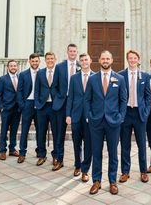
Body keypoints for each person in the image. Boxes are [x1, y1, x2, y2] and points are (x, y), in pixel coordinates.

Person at [84, 50, 127, 195]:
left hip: (113, 122)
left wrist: (121, 117)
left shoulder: (119, 79)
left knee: (113, 153)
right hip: (96, 121)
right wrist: (89, 115)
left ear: (112, 60)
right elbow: (87, 99)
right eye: (103, 58)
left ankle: (112, 181)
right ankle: (96, 181)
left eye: (108, 58)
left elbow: (123, 100)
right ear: (99, 60)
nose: (105, 60)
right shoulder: (92, 79)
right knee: (96, 152)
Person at [118, 50, 151, 183]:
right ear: (127, 60)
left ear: (138, 60)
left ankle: (143, 171)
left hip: (139, 114)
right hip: (125, 113)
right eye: (130, 58)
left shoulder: (145, 76)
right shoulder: (120, 75)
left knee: (141, 144)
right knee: (125, 144)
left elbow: (148, 96)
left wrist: (146, 111)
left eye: (134, 58)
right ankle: (125, 172)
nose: (132, 60)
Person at [53, 43, 81, 172]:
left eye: (74, 51)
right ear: (67, 52)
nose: (73, 53)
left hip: (76, 106)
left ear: (77, 52)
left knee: (78, 136)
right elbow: (54, 86)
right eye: (70, 51)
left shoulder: (81, 66)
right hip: (62, 105)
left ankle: (78, 164)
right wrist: (58, 98)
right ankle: (59, 160)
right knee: (59, 134)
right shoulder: (59, 67)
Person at [66, 53, 94, 181]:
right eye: (82, 60)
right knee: (76, 142)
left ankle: (85, 169)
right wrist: (68, 114)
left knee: (89, 143)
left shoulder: (96, 77)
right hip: (76, 115)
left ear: (90, 61)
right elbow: (70, 98)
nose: (84, 62)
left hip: (90, 117)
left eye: (86, 60)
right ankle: (77, 165)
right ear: (80, 62)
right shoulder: (74, 78)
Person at [34, 52, 57, 167]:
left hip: (55, 107)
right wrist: (37, 104)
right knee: (41, 132)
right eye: (48, 58)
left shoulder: (59, 72)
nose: (50, 60)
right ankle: (42, 155)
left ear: (55, 59)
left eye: (52, 58)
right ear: (45, 60)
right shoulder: (40, 73)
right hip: (42, 107)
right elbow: (36, 89)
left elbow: (61, 89)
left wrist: (58, 104)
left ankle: (56, 156)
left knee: (56, 133)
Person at [17, 53, 40, 163]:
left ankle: (39, 150)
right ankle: (22, 153)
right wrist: (22, 105)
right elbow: (19, 91)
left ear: (39, 62)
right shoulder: (23, 74)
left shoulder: (42, 73)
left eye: (36, 61)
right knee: (25, 130)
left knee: (40, 129)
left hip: (39, 105)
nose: (35, 63)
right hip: (27, 104)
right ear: (29, 61)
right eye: (33, 61)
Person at [0, 60, 21, 160]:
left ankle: (12, 149)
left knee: (14, 130)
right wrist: (1, 108)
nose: (13, 67)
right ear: (8, 67)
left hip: (17, 109)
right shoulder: (2, 79)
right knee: (4, 130)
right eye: (11, 66)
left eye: (15, 65)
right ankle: (2, 151)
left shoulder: (20, 78)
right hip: (6, 109)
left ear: (17, 67)